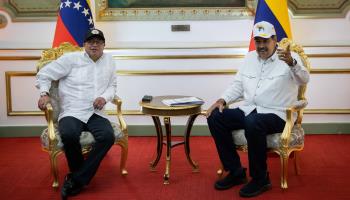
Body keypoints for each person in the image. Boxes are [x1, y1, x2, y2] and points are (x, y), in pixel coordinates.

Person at [206, 21, 309, 197]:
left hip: (277, 113)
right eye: (258, 41)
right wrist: (222, 99)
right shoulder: (249, 58)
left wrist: (292, 63)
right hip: (250, 109)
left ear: (274, 39)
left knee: (253, 121)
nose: (261, 46)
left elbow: (304, 79)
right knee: (215, 116)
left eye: (265, 41)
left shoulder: (289, 58)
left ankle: (261, 179)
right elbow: (238, 85)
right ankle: (236, 172)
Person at [36, 29, 117, 199]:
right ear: (84, 44)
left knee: (108, 136)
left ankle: (76, 180)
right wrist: (44, 93)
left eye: (98, 41)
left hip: (96, 112)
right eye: (90, 41)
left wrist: (104, 97)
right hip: (73, 110)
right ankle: (81, 176)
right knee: (69, 134)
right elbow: (44, 74)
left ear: (104, 45)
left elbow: (112, 86)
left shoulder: (110, 60)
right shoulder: (70, 59)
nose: (94, 45)